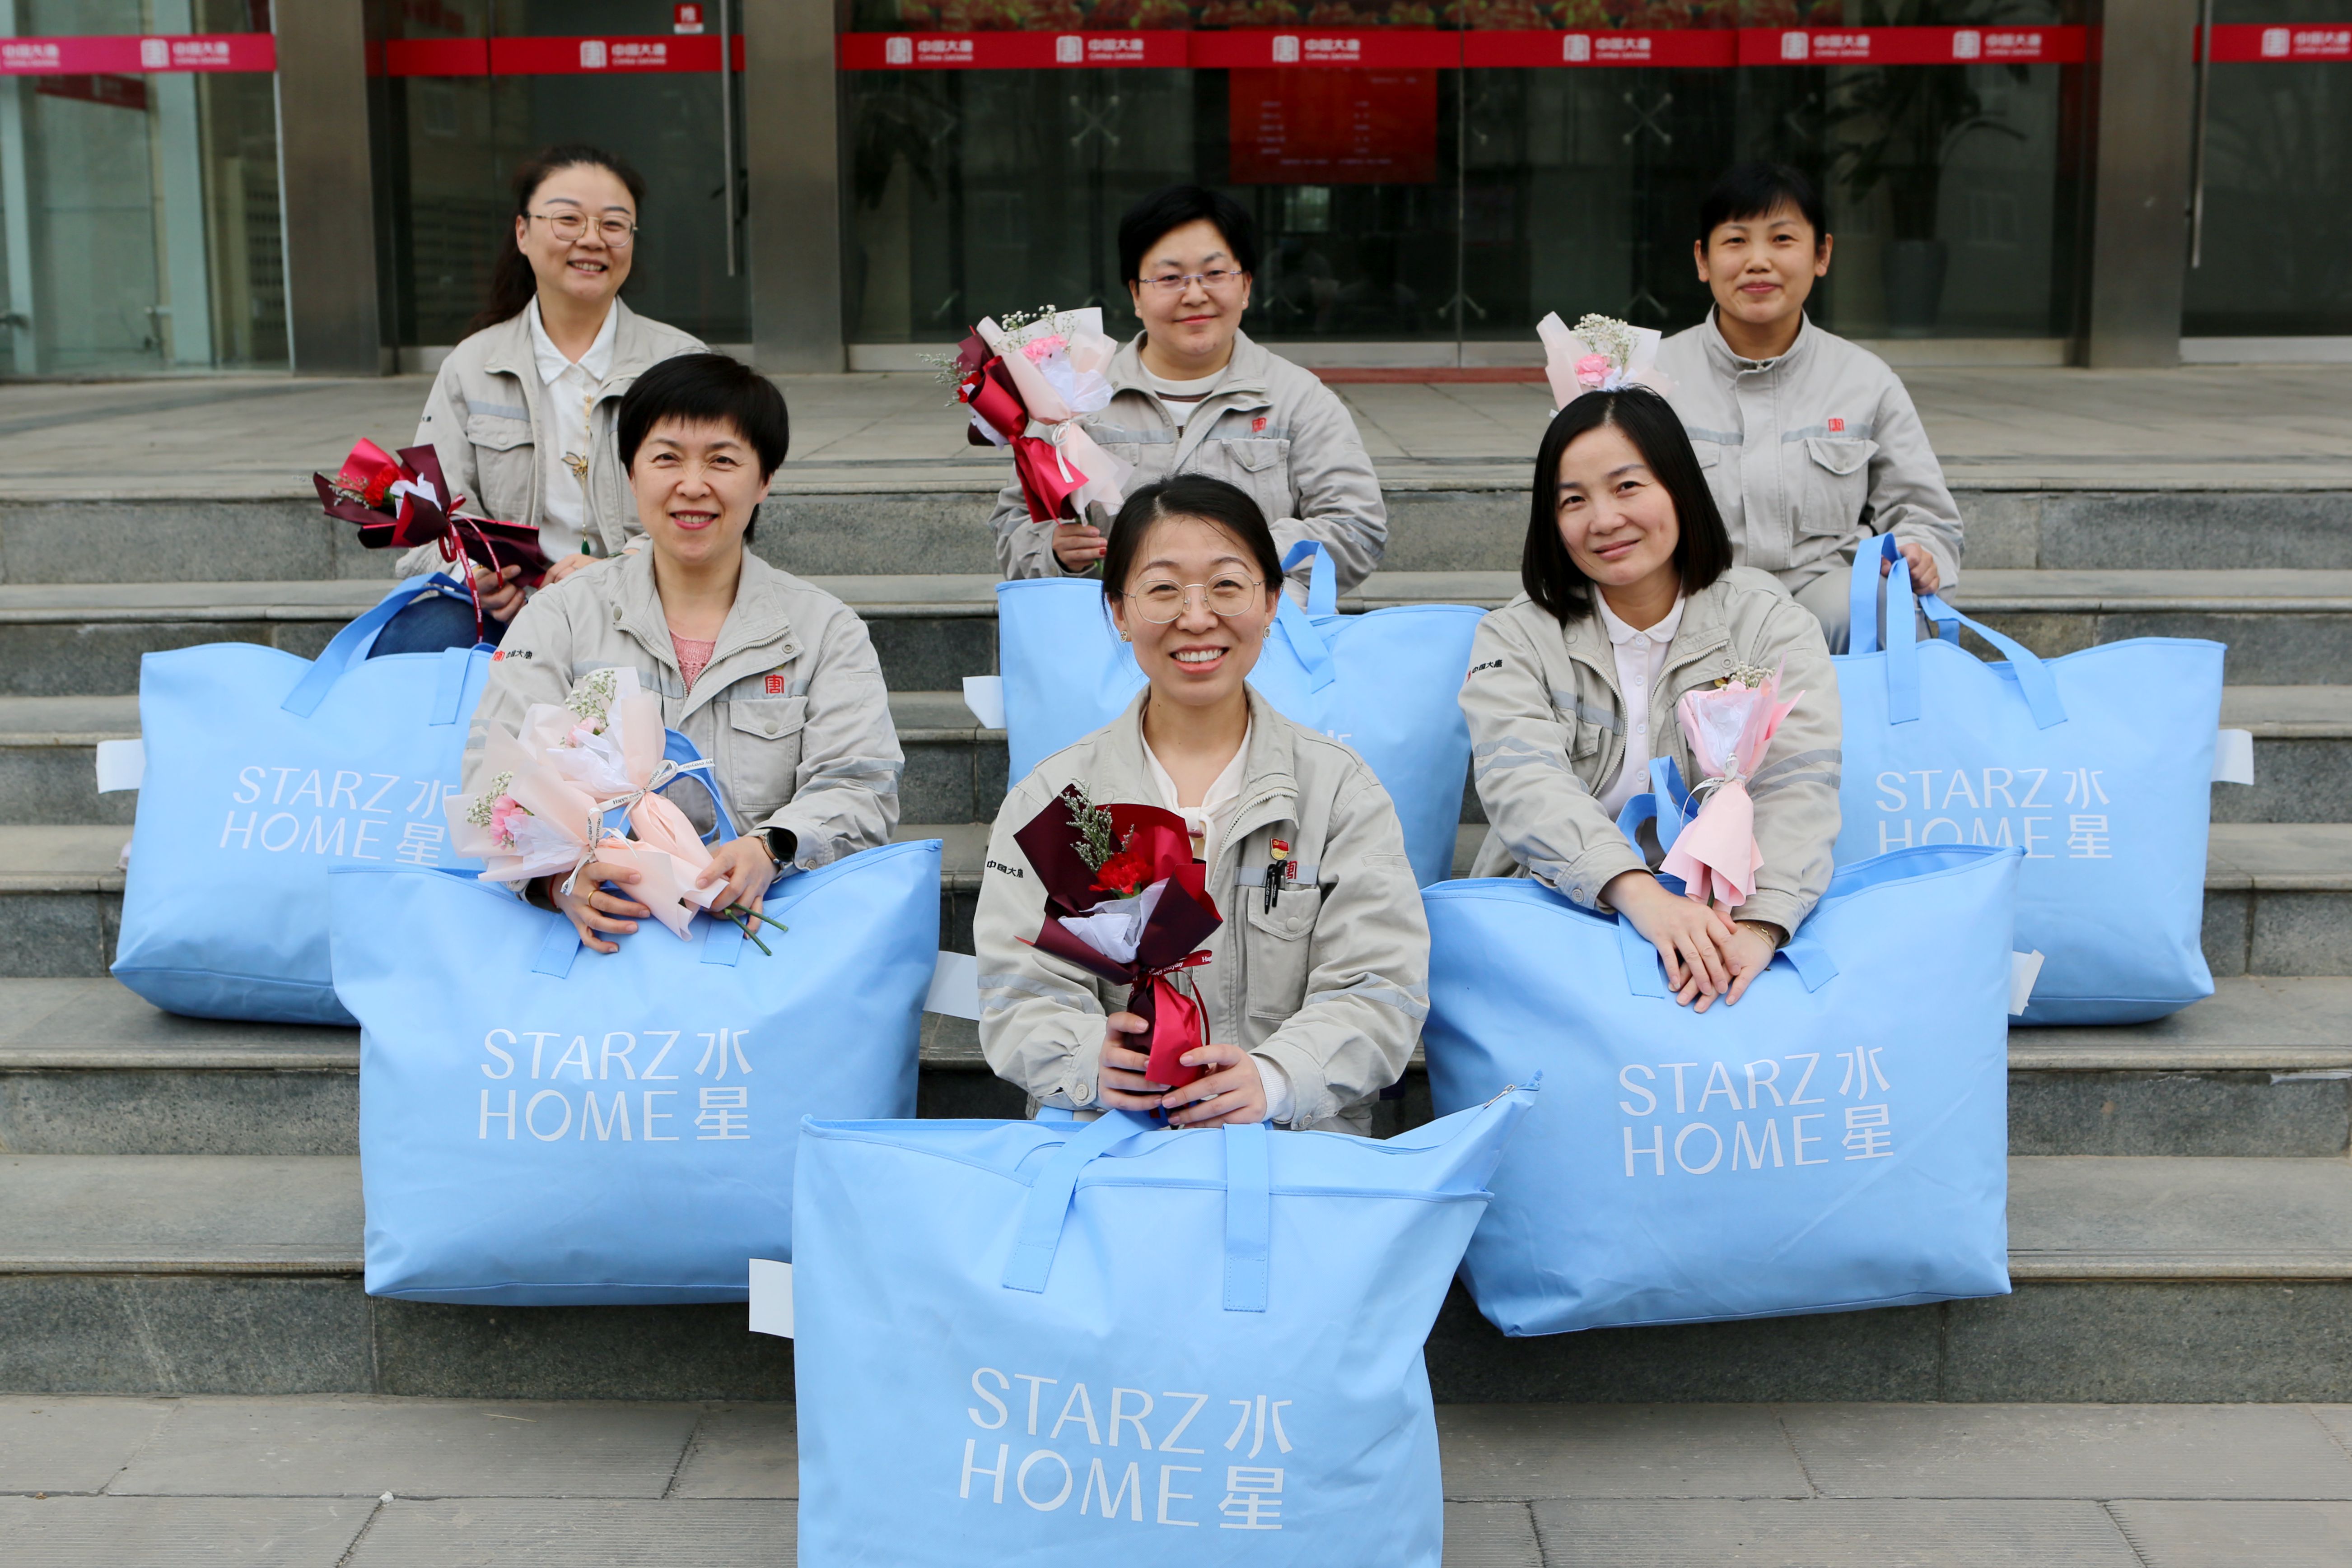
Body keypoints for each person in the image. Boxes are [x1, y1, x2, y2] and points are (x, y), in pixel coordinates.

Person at [975, 475, 1426, 1132]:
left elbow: (1381, 987)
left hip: (1290, 1153)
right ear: (1119, 612)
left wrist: (1274, 1079)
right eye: (1163, 589)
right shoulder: (1062, 800)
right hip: (1110, 1150)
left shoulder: (1337, 791)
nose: (1196, 617)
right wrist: (1085, 1060)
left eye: (1226, 585)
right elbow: (1017, 989)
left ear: (1272, 602)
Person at [463, 353, 902, 954]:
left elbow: (862, 786)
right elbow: (493, 778)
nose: (692, 485)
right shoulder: (562, 614)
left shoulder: (826, 631)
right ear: (631, 473)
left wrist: (772, 847)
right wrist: (557, 882)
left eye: (723, 460)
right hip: (600, 949)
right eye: (667, 457)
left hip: (763, 947)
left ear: (765, 479)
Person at [1461, 386, 1841, 1011]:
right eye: (1574, 500)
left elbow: (1799, 785)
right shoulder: (1515, 635)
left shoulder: (1768, 619)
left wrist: (1761, 926)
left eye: (1628, 486)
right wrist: (1640, 895)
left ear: (1679, 488)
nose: (1604, 519)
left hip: (1728, 918)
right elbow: (1522, 783)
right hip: (1559, 913)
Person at [373, 144, 705, 656]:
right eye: (568, 220)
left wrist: (625, 567)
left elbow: (716, 510)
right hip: (511, 608)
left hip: (645, 601)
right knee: (407, 647)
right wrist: (474, 573)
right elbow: (429, 516)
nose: (592, 240)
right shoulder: (472, 365)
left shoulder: (681, 364)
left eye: (614, 225)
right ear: (523, 233)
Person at [989, 185, 1388, 603]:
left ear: (1247, 286)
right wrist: (1059, 554)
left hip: (1261, 650)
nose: (1195, 295)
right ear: (1136, 295)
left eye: (1215, 274)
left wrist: (1240, 557)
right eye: (1170, 278)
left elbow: (1357, 529)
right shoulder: (1074, 400)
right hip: (1121, 648)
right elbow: (1015, 528)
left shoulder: (1299, 399)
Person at [1652, 161, 1964, 652]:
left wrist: (1921, 553)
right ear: (1702, 260)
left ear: (1822, 254)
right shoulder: (1651, 378)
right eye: (1736, 241)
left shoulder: (1865, 380)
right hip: (1692, 598)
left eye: (1781, 240)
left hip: (1826, 599)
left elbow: (1925, 512)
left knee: (1879, 603)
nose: (1758, 261)